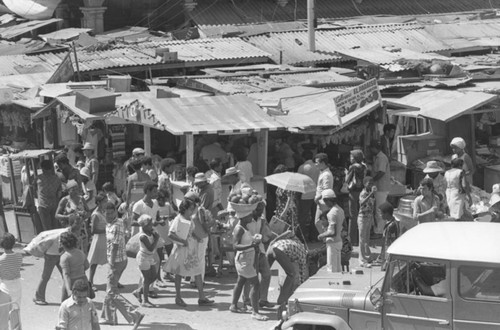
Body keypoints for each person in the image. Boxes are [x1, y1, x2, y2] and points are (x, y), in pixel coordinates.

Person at [100, 202, 144, 328]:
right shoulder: (111, 224)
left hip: (116, 261)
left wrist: (112, 265)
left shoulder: (116, 225)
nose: (108, 215)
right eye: (106, 213)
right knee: (110, 289)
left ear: (115, 212)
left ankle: (134, 314)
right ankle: (108, 317)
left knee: (111, 291)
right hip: (116, 260)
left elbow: (114, 246)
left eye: (110, 213)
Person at [165, 198, 214, 307]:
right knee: (179, 273)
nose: (192, 211)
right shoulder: (178, 219)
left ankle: (201, 297)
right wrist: (183, 241)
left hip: (191, 250)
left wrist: (197, 238)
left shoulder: (190, 219)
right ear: (185, 209)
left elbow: (191, 232)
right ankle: (178, 297)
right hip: (181, 250)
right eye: (191, 209)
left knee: (197, 271)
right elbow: (170, 234)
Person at [229, 203, 268, 321]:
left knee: (240, 281)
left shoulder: (245, 227)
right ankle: (255, 312)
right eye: (249, 214)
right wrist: (251, 245)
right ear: (244, 217)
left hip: (246, 259)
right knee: (256, 284)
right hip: (244, 260)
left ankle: (233, 305)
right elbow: (235, 246)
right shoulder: (239, 229)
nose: (252, 216)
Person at [242, 201, 274, 310]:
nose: (261, 211)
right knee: (248, 277)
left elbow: (264, 235)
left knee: (267, 274)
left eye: (262, 209)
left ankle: (263, 299)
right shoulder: (246, 219)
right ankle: (246, 300)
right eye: (259, 209)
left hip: (260, 250)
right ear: (253, 208)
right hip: (248, 251)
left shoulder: (262, 219)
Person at [266, 230, 308, 310]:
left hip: (272, 247)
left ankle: (261, 298)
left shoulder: (297, 242)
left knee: (265, 274)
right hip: (280, 250)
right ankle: (282, 300)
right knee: (292, 274)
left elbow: (289, 232)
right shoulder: (303, 258)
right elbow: (301, 279)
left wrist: (274, 240)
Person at [55, 180, 90, 253]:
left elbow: (88, 211)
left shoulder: (81, 199)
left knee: (83, 251)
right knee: (71, 250)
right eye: (73, 190)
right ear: (68, 191)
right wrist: (67, 217)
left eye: (77, 189)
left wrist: (84, 216)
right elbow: (57, 215)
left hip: (81, 229)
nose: (76, 191)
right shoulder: (64, 200)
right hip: (70, 229)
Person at [192, 175, 217, 277]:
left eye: (198, 183)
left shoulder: (207, 192)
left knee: (201, 252)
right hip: (202, 221)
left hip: (203, 221)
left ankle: (202, 271)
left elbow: (202, 210)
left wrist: (207, 228)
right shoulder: (204, 190)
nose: (197, 185)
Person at [135, 215, 160, 308]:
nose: (151, 225)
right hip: (143, 257)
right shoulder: (143, 236)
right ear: (144, 225)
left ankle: (139, 291)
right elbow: (150, 248)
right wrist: (156, 238)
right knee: (147, 279)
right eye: (149, 224)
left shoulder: (151, 232)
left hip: (150, 257)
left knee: (154, 276)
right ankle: (145, 300)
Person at [318, 189, 344, 273]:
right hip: (339, 241)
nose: (325, 203)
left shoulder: (331, 213)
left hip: (332, 243)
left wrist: (321, 235)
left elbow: (332, 232)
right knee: (338, 268)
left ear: (329, 200)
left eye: (325, 201)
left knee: (331, 269)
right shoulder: (340, 210)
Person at [60, 231, 90, 302]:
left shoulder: (65, 257)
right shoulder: (80, 253)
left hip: (71, 283)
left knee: (66, 306)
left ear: (62, 244)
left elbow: (66, 274)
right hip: (83, 281)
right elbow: (87, 265)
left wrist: (68, 290)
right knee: (84, 305)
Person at [297, 150, 320, 242]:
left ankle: (302, 238)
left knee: (302, 217)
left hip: (305, 195)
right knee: (315, 217)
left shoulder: (302, 167)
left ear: (303, 158)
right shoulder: (318, 167)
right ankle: (314, 237)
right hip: (315, 194)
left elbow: (298, 181)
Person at [345, 149, 366, 246]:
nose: (350, 158)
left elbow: (347, 180)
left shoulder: (353, 167)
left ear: (355, 158)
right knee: (360, 215)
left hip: (353, 192)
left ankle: (352, 239)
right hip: (362, 192)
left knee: (352, 216)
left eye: (351, 157)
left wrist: (346, 173)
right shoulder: (364, 166)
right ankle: (359, 238)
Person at [87, 193, 108, 289]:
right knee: (94, 262)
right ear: (99, 203)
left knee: (112, 261)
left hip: (106, 239)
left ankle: (113, 281)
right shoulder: (95, 214)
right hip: (99, 239)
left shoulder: (104, 211)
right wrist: (106, 230)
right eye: (104, 201)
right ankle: (90, 282)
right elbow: (93, 230)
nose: (106, 203)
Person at [370, 140, 391, 235]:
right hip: (379, 187)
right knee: (378, 209)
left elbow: (381, 172)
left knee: (380, 210)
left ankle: (379, 231)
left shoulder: (382, 158)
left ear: (375, 148)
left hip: (381, 187)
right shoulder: (378, 157)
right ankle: (378, 229)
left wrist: (372, 180)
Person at [155, 189, 176, 282]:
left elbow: (174, 214)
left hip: (167, 234)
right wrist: (160, 220)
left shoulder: (168, 206)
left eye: (164, 200)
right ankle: (157, 277)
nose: (163, 202)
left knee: (171, 254)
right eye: (161, 200)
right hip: (158, 235)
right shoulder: (154, 207)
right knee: (159, 258)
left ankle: (167, 273)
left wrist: (168, 217)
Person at [36, 159, 63, 231]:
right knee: (55, 227)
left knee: (46, 228)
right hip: (54, 204)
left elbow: (32, 189)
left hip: (43, 205)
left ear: (42, 168)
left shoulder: (38, 178)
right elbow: (59, 193)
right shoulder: (57, 179)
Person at [357, 177, 376, 267]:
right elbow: (362, 203)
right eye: (369, 183)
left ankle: (367, 257)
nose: (371, 185)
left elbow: (373, 207)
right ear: (365, 184)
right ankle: (362, 260)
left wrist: (374, 219)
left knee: (367, 239)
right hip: (362, 218)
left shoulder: (371, 194)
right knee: (362, 239)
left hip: (369, 218)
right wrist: (371, 194)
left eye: (372, 183)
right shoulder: (363, 193)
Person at [0, 233, 23, 307]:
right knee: (16, 308)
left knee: (5, 311)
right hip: (17, 284)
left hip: (5, 286)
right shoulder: (19, 256)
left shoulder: (1, 259)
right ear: (13, 244)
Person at [314, 153, 334, 234]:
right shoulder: (322, 173)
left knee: (320, 222)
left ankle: (327, 240)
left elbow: (326, 190)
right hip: (321, 202)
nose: (316, 164)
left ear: (323, 163)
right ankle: (326, 241)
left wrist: (317, 198)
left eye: (317, 162)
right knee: (320, 222)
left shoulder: (326, 175)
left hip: (324, 202)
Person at [377, 202, 399, 270]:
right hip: (385, 254)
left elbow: (392, 242)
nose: (380, 215)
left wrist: (387, 259)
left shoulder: (392, 226)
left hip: (389, 255)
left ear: (386, 214)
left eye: (381, 213)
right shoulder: (388, 223)